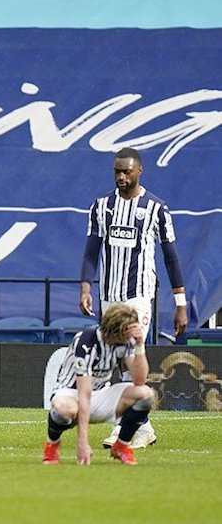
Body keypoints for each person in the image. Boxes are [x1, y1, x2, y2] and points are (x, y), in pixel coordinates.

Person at [80, 147, 186, 451]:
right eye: (117, 171)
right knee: (115, 359)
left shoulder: (156, 209)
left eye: (126, 171)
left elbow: (171, 258)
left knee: (130, 352)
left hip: (139, 296)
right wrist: (86, 286)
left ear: (139, 171)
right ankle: (140, 425)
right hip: (108, 296)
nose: (121, 176)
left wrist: (180, 304)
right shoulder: (101, 207)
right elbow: (90, 251)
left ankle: (125, 427)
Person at [43, 303, 155, 466]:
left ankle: (122, 446)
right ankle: (52, 444)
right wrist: (82, 443)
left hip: (101, 393)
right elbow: (84, 393)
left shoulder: (127, 341)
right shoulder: (87, 342)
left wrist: (139, 345)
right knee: (65, 410)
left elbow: (139, 380)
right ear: (115, 330)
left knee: (145, 394)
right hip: (71, 393)